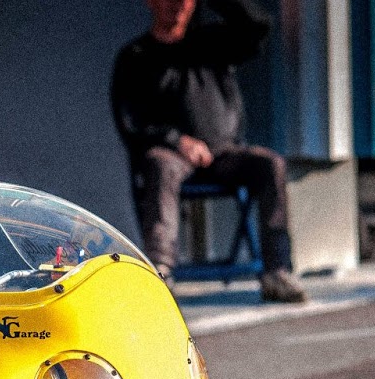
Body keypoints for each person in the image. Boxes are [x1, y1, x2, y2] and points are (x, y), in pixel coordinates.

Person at [112, 0, 307, 302]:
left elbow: (258, 26)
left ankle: (277, 271)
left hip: (224, 152)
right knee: (159, 166)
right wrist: (177, 140)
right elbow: (131, 122)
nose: (178, 5)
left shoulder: (211, 43)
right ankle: (161, 271)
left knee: (269, 164)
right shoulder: (135, 57)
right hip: (170, 154)